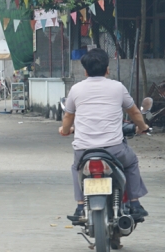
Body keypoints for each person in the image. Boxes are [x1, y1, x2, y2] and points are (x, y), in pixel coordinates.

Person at [59, 48, 150, 221]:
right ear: (107, 69)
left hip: (83, 151)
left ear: (85, 71)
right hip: (114, 150)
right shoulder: (118, 87)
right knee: (131, 162)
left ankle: (80, 206)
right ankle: (135, 203)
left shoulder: (76, 89)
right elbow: (135, 113)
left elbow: (68, 116)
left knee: (76, 168)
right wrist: (142, 127)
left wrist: (65, 131)